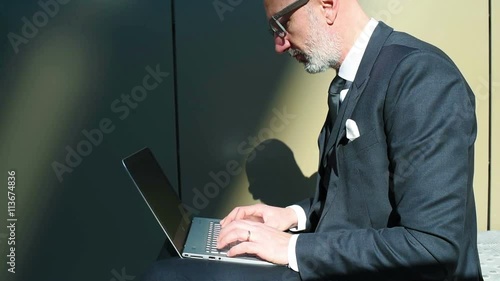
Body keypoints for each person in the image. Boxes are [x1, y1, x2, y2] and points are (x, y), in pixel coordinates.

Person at [141, 0, 483, 280]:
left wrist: (290, 249)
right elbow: (357, 195)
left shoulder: (422, 79)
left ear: (327, 5)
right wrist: (291, 216)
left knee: (169, 275)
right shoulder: (353, 80)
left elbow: (431, 247)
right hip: (338, 260)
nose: (279, 44)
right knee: (171, 261)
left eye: (282, 24)